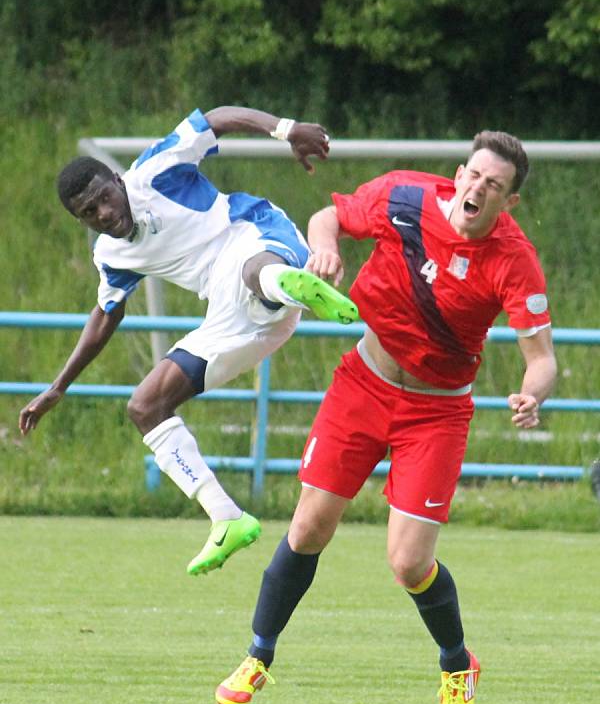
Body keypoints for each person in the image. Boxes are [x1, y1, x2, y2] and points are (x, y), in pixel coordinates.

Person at [216, 131, 557, 704]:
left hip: (437, 412)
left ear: (508, 201)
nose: (478, 188)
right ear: (460, 173)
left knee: (408, 562)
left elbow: (543, 357)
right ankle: (258, 656)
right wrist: (323, 251)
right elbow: (328, 216)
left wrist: (534, 392)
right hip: (363, 385)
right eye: (474, 175)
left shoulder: (513, 257)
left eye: (494, 186)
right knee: (308, 528)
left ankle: (458, 667)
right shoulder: (404, 197)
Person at [18, 106, 358, 576]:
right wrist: (58, 386)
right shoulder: (111, 254)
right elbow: (105, 315)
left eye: (103, 197)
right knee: (145, 406)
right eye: (89, 213)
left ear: (117, 180)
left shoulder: (156, 169)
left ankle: (293, 285)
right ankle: (227, 517)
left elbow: (216, 117)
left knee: (253, 273)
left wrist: (286, 131)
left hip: (258, 236)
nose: (104, 213)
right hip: (230, 313)